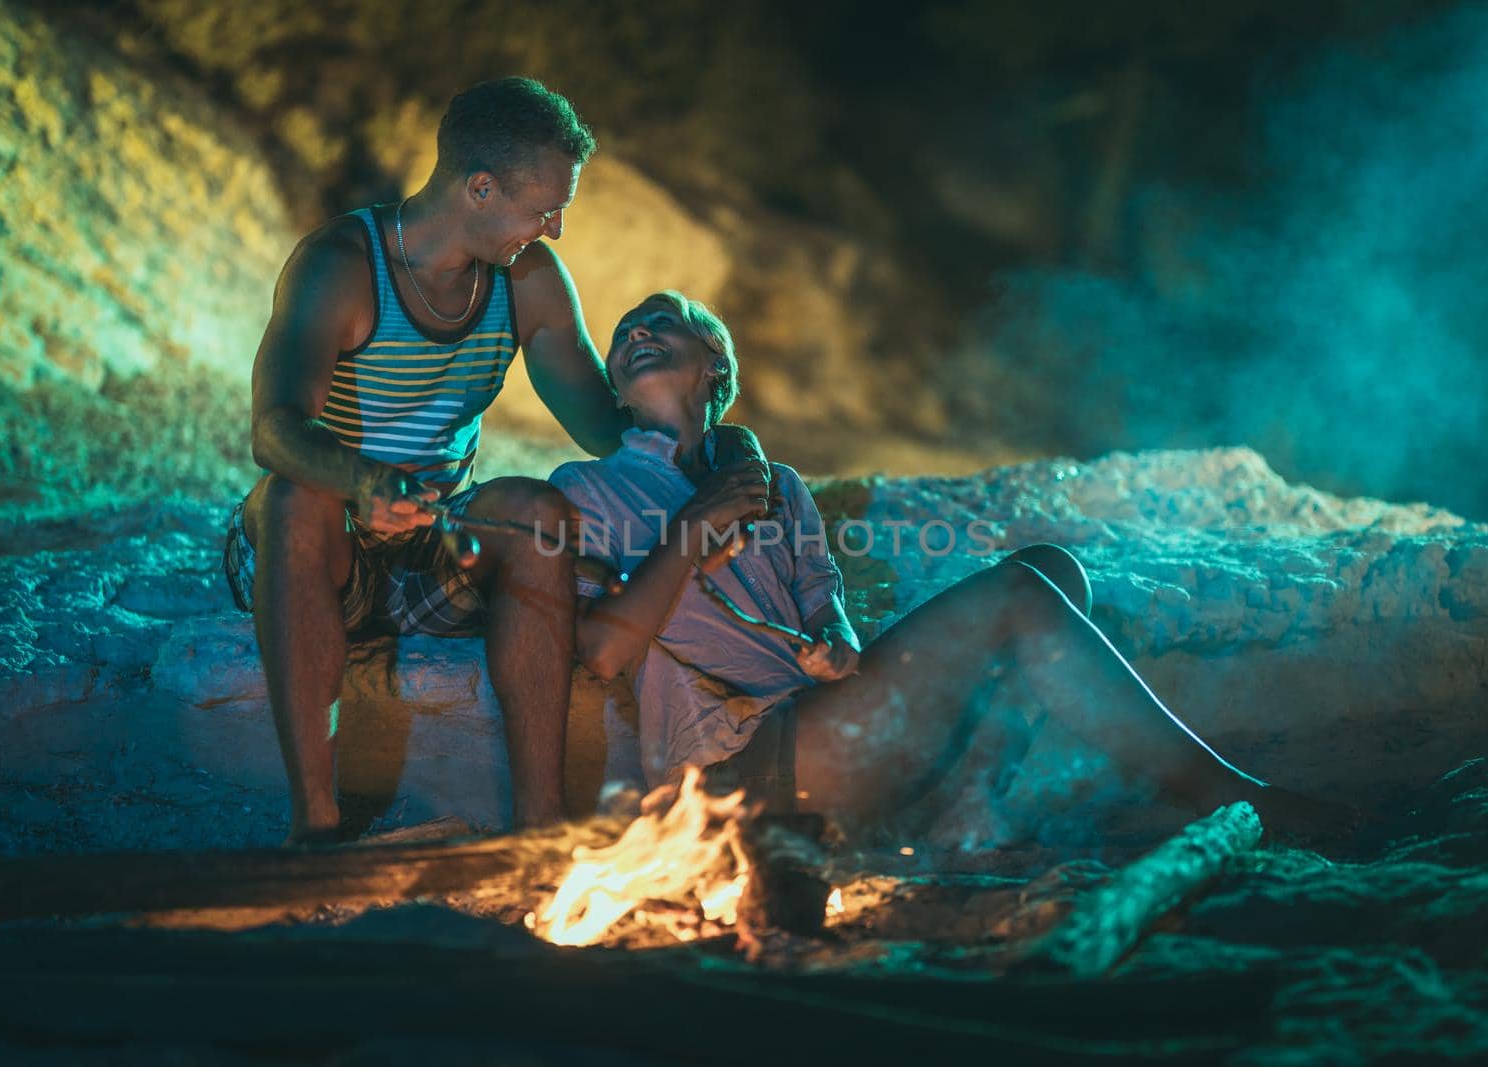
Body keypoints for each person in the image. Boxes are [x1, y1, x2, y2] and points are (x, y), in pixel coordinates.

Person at [549, 291, 1354, 842]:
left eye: (660, 323)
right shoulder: (587, 487)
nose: (632, 336)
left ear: (714, 365)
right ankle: (1236, 796)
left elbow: (826, 605)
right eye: (623, 336)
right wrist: (700, 523)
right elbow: (603, 650)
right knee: (1015, 594)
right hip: (742, 767)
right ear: (616, 383)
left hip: (831, 728)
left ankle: (968, 808)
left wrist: (835, 640)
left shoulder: (779, 487)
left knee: (1052, 567)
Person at [222, 80, 762, 844]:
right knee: (292, 499)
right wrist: (364, 481)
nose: (556, 228)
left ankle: (537, 834)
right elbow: (274, 431)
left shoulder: (529, 280)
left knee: (537, 511)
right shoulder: (341, 264)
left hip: (436, 545)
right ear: (479, 188)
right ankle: (316, 824)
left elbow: (613, 428)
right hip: (326, 546)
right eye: (545, 208)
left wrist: (733, 447)